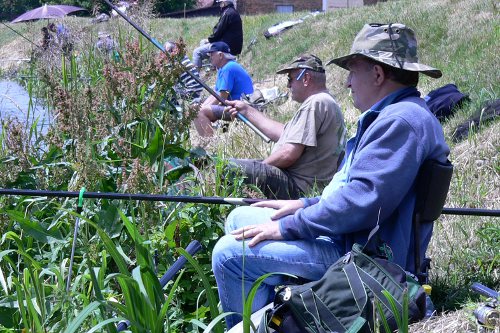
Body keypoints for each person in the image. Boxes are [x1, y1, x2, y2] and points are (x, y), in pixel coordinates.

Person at [211, 22, 450, 329]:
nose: (348, 82)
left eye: (353, 70)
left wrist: (290, 227)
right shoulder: (394, 115)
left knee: (229, 255)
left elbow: (361, 204)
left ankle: (256, 324)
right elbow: (358, 190)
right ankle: (279, 313)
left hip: (365, 259)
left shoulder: (401, 122)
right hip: (351, 237)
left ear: (378, 74)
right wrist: (302, 205)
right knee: (240, 218)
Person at [224, 54, 345, 199]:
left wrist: (260, 169)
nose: (288, 85)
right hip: (304, 185)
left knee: (226, 167)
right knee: (239, 165)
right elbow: (285, 134)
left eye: (290, 79)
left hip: (298, 188)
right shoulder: (325, 102)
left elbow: (289, 154)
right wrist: (247, 111)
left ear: (305, 78)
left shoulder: (315, 103)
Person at [193, 41, 253, 137]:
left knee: (199, 113)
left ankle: (209, 145)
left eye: (212, 55)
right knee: (198, 109)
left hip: (241, 108)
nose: (210, 57)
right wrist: (204, 106)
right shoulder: (224, 68)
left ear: (220, 55)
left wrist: (204, 109)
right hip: (236, 105)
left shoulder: (228, 68)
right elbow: (216, 94)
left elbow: (222, 96)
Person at [192, 0, 243, 70]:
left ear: (225, 3)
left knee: (196, 52)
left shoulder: (227, 13)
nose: (220, 5)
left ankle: (195, 76)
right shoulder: (233, 12)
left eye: (221, 3)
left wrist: (210, 39)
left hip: (227, 46)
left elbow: (218, 31)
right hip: (232, 45)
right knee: (203, 42)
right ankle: (212, 66)